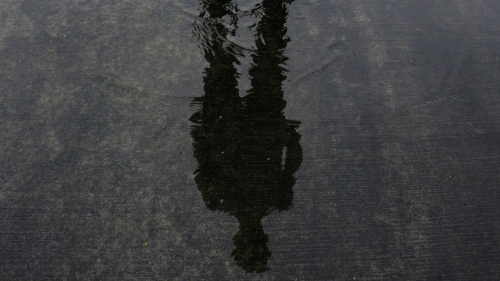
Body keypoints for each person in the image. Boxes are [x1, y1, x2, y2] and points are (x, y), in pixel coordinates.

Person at [190, 0, 302, 273]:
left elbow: (293, 161)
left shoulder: (277, 199)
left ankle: (238, 10)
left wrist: (291, 137)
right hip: (237, 127)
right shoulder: (219, 199)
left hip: (243, 127)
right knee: (229, 63)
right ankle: (224, 10)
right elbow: (202, 163)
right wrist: (199, 131)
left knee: (263, 62)